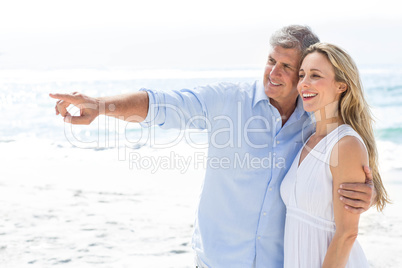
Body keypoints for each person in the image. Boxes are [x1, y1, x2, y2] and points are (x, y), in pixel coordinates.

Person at [49, 25, 376, 268]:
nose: (273, 73)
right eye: (270, 60)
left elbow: (342, 169)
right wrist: (100, 105)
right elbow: (161, 105)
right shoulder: (227, 101)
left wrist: (367, 191)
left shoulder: (315, 123)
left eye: (288, 67)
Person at [280, 43, 390, 267]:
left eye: (315, 75)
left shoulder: (345, 145)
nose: (304, 84)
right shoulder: (308, 138)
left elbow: (347, 234)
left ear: (341, 86)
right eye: (302, 75)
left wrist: (375, 192)